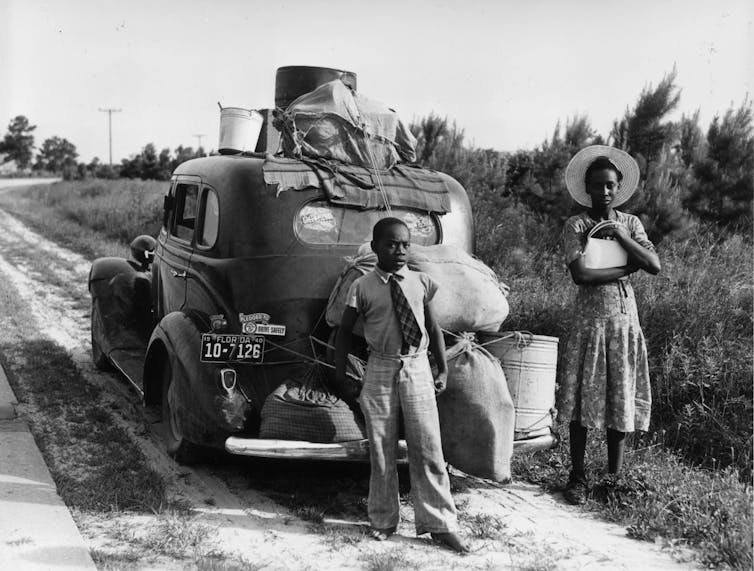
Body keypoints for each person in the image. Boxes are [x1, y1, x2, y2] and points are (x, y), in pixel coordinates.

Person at [335, 217, 469, 553]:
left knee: (428, 447)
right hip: (380, 368)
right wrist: (341, 374)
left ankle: (440, 523)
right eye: (392, 244)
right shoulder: (362, 287)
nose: (399, 250)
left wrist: (442, 369)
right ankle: (382, 519)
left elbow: (434, 329)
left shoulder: (421, 281)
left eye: (405, 244)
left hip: (418, 367)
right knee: (381, 449)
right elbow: (342, 334)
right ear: (376, 247)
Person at [557, 145, 661, 505]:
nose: (604, 191)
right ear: (587, 188)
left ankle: (613, 479)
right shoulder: (577, 224)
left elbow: (654, 264)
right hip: (589, 322)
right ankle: (578, 475)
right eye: (597, 185)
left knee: (620, 393)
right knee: (581, 396)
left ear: (619, 188)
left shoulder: (630, 223)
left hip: (622, 322)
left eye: (610, 185)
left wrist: (620, 236)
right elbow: (581, 275)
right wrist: (624, 270)